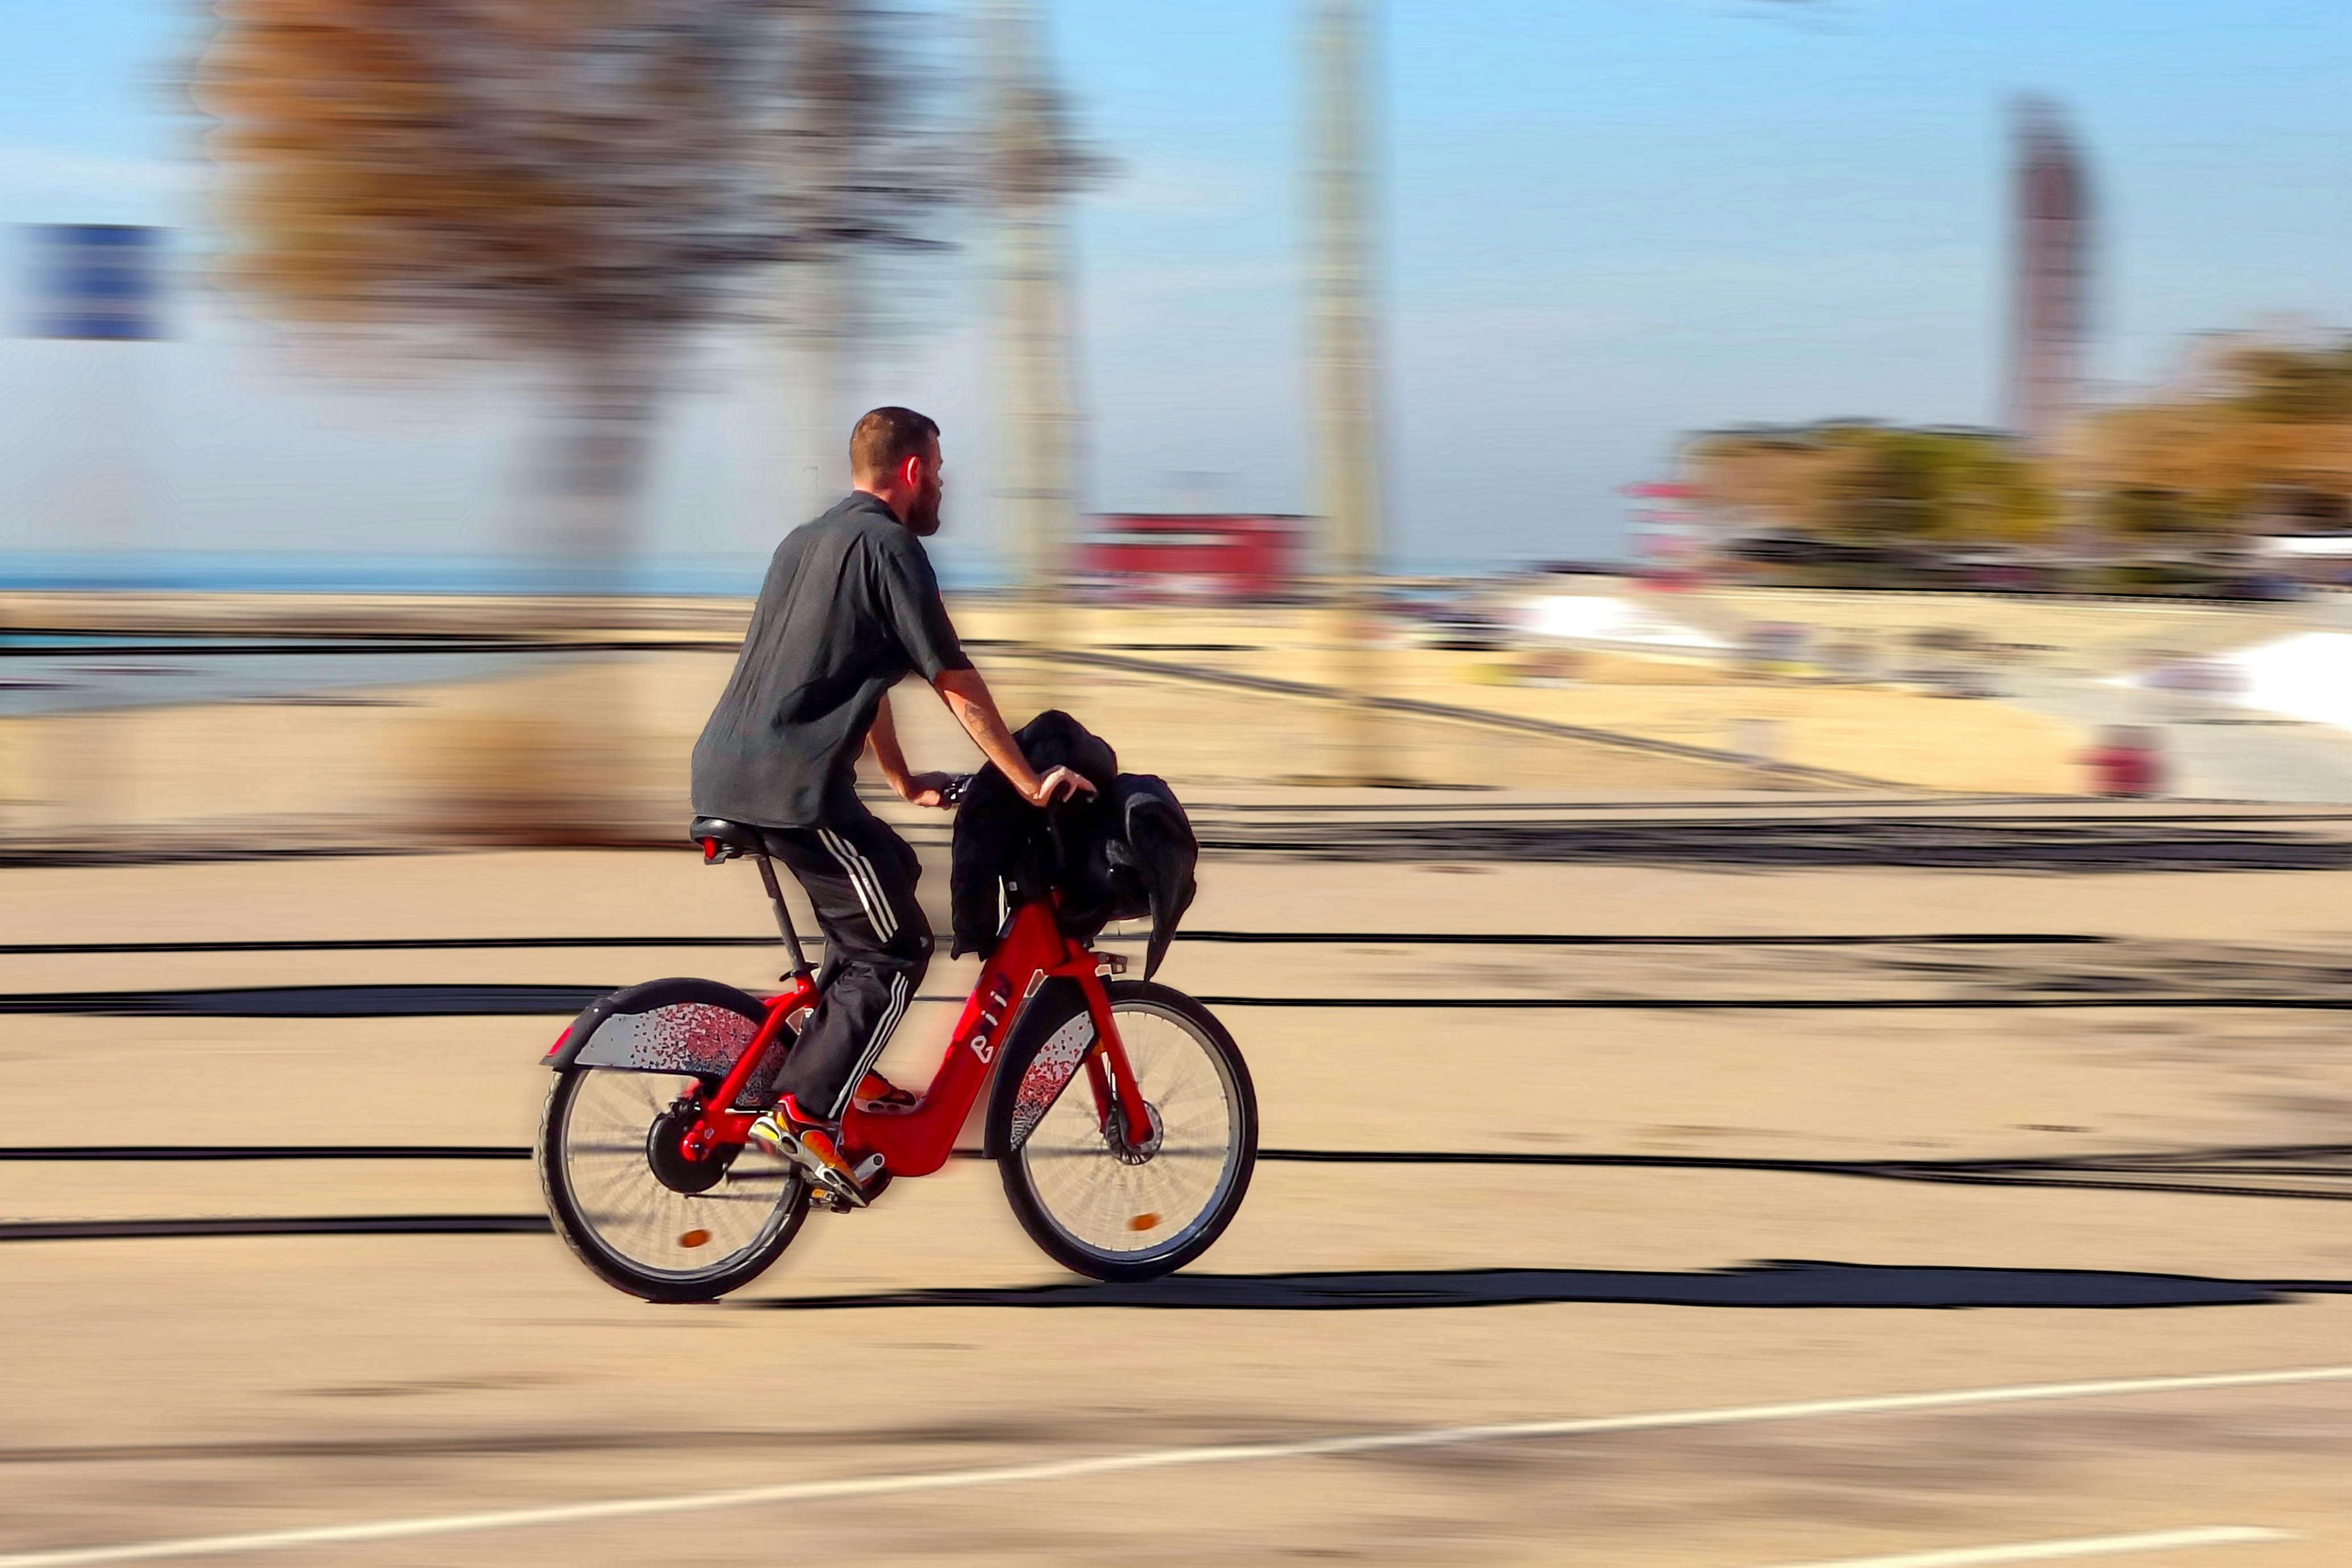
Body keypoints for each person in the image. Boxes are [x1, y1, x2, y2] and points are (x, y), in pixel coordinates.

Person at [690, 406, 1093, 1201]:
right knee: (896, 949)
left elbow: (859, 672)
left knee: (889, 869)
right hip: (792, 788)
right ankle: (804, 1112)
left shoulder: (804, 542)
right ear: (911, 471)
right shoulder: (889, 545)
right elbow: (951, 676)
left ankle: (844, 1060)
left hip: (728, 770)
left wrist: (904, 782)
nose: (942, 485)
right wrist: (1023, 781)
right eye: (938, 471)